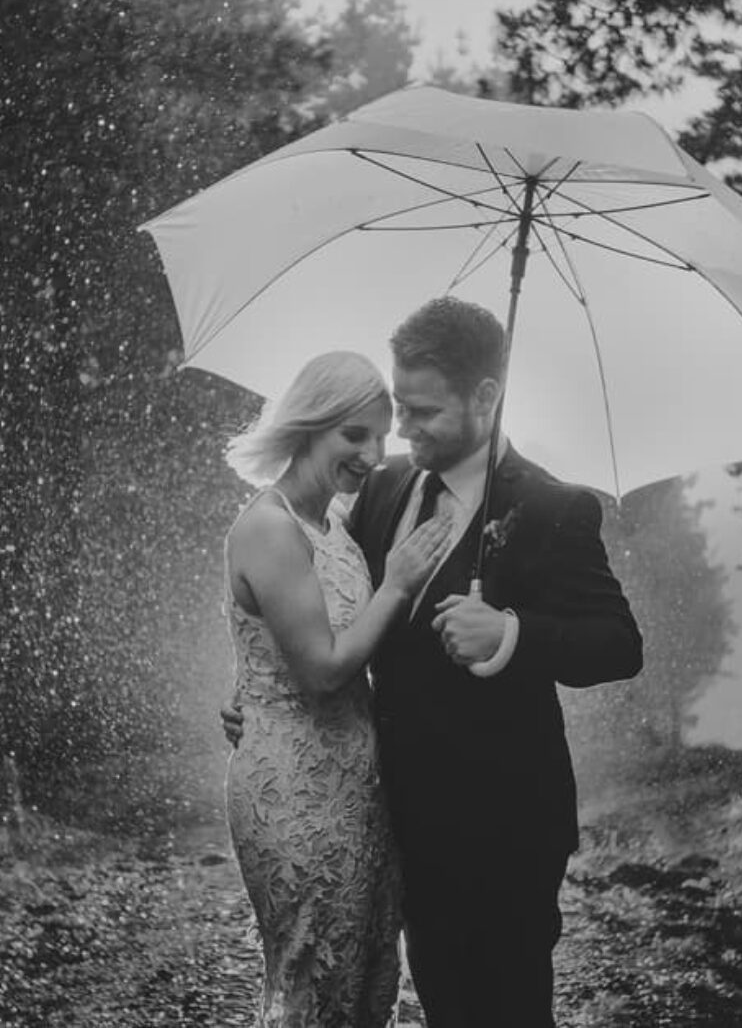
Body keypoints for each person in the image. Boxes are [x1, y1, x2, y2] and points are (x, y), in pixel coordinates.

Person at [228, 298, 643, 1027]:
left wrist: (512, 632)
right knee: (442, 1005)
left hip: (506, 826)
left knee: (507, 1013)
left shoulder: (552, 507)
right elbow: (318, 599)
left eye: (423, 414)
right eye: (400, 412)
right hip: (403, 821)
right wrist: (262, 693)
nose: (404, 433)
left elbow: (617, 642)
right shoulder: (384, 487)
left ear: (486, 397)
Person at [220, 350, 455, 1028]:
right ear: (310, 425)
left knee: (364, 978)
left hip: (356, 789)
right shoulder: (269, 526)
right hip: (293, 793)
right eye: (355, 434)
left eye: (382, 436)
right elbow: (322, 668)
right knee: (311, 981)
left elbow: (283, 644)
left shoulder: (334, 527)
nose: (374, 453)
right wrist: (399, 585)